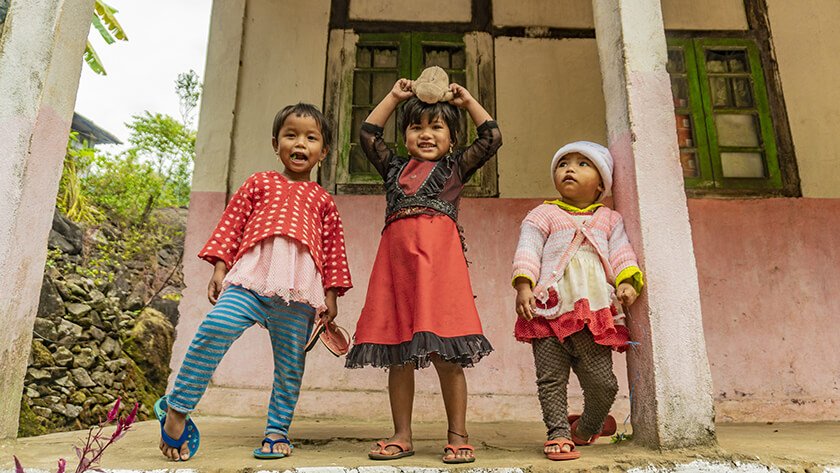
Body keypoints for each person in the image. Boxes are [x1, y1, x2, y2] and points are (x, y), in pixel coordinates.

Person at [156, 103, 352, 461]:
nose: (299, 144)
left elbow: (333, 249)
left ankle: (277, 431)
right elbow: (231, 225)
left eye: (311, 138)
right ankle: (177, 408)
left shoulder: (323, 200)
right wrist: (220, 267)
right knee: (214, 328)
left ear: (323, 152)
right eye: (290, 135)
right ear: (275, 143)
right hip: (249, 280)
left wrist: (331, 295)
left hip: (298, 293)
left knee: (291, 365)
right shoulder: (259, 182)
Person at [345, 74, 502, 464]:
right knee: (399, 356)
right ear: (405, 136)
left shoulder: (455, 169)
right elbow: (367, 135)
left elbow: (492, 138)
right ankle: (402, 435)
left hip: (439, 274)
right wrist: (394, 97)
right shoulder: (394, 168)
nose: (427, 134)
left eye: (437, 127)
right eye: (416, 127)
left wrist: (467, 103)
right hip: (397, 274)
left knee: (447, 357)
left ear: (452, 139)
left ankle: (458, 434)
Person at [511, 141, 643, 461]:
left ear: (601, 183)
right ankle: (557, 433)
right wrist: (524, 286)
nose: (569, 168)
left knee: (604, 383)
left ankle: (586, 427)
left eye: (582, 164)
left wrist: (627, 282)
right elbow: (528, 250)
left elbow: (622, 252)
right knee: (551, 379)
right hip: (547, 312)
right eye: (563, 163)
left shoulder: (610, 219)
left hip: (592, 315)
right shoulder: (542, 214)